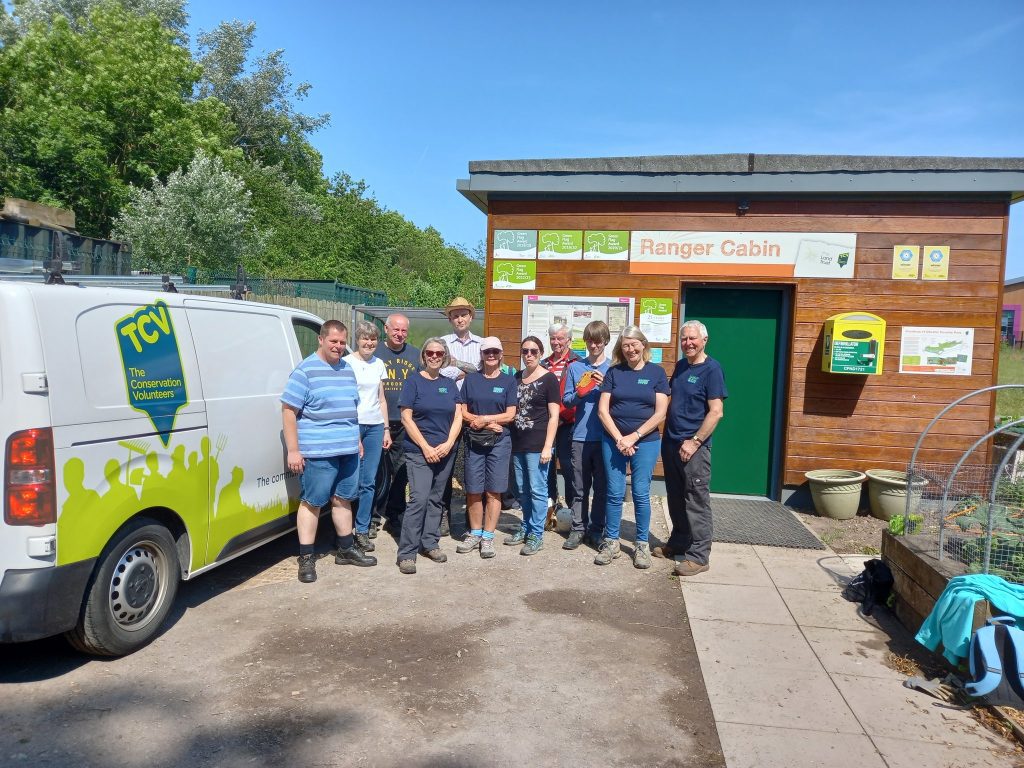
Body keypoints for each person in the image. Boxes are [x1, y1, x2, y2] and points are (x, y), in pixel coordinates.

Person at [282, 320, 376, 583]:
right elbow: (289, 411)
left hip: (347, 449)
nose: (338, 346)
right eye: (333, 341)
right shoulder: (305, 371)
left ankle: (345, 549)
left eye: (342, 342)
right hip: (319, 451)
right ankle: (306, 558)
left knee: (343, 498)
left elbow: (351, 409)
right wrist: (293, 450)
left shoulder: (347, 369)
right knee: (312, 502)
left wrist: (356, 439)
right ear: (321, 340)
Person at [656, 320, 727, 577]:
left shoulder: (712, 369)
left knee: (696, 500)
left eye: (693, 339)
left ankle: (699, 556)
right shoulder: (681, 365)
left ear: (704, 340)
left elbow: (716, 412)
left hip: (693, 448)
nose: (688, 343)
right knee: (675, 497)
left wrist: (695, 441)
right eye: (684, 338)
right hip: (672, 443)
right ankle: (679, 542)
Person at [596, 325, 669, 569]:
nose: (630, 349)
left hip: (646, 442)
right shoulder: (614, 373)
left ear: (643, 345)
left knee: (640, 493)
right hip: (614, 441)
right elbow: (603, 410)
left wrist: (634, 437)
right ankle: (612, 542)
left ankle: (641, 545)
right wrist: (620, 438)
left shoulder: (657, 373)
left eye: (634, 344)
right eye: (625, 345)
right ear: (620, 348)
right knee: (614, 493)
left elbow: (660, 413)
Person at [396, 337, 464, 574]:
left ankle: (430, 543)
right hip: (419, 452)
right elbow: (406, 417)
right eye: (430, 353)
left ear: (444, 357)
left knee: (437, 499)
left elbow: (458, 416)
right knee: (419, 499)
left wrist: (448, 443)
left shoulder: (449, 383)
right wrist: (425, 447)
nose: (434, 356)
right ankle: (406, 553)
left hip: (446, 451)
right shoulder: (413, 382)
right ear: (423, 356)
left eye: (438, 353)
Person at [456, 337, 517, 560]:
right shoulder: (471, 380)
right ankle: (475, 533)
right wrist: (484, 422)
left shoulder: (509, 381)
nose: (490, 355)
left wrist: (486, 419)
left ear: (501, 354)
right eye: (486, 352)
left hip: (499, 443)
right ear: (481, 355)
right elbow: (462, 410)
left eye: (494, 351)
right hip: (475, 439)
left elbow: (511, 414)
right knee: (473, 489)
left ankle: (488, 536)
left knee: (494, 490)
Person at [505, 336, 560, 556]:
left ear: (541, 353)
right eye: (525, 351)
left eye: (534, 351)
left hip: (539, 444)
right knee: (522, 490)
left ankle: (537, 533)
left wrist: (548, 446)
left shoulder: (549, 379)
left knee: (538, 490)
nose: (529, 355)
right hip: (518, 443)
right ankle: (526, 526)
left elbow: (554, 416)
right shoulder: (517, 378)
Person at [562, 320, 612, 550]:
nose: (594, 345)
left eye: (598, 341)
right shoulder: (575, 367)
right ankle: (578, 529)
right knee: (579, 488)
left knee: (601, 488)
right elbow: (567, 400)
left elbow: (619, 402)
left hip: (604, 438)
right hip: (580, 436)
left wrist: (603, 388)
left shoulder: (613, 369)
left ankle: (596, 530)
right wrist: (581, 393)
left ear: (606, 342)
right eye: (590, 341)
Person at [343, 321, 392, 553]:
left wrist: (385, 429)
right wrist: (353, 432)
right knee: (349, 481)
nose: (369, 343)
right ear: (357, 339)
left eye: (373, 339)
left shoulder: (379, 364)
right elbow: (346, 400)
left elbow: (381, 399)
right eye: (365, 338)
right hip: (354, 425)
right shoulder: (346, 363)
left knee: (369, 481)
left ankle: (361, 531)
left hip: (374, 426)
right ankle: (343, 532)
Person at [439, 296, 485, 537]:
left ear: (470, 317)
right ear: (450, 318)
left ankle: (472, 520)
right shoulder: (442, 342)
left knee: (473, 468)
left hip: (473, 412)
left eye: (463, 314)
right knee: (445, 467)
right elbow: (441, 371)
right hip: (447, 411)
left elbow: (482, 373)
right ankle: (443, 517)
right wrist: (466, 370)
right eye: (455, 314)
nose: (459, 318)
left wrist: (458, 365)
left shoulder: (482, 343)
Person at [373, 312, 420, 536]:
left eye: (403, 331)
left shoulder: (415, 355)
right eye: (396, 330)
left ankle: (395, 515)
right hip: (377, 423)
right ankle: (372, 516)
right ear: (386, 329)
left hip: (404, 424)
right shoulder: (374, 353)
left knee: (401, 472)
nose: (400, 334)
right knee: (376, 473)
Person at [541, 322, 583, 513]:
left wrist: (561, 417)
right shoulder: (543, 364)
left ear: (569, 340)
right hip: (546, 424)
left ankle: (573, 512)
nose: (556, 342)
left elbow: (577, 394)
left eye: (560, 338)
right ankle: (549, 509)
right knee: (546, 467)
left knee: (568, 468)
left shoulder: (578, 363)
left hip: (568, 424)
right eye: (553, 338)